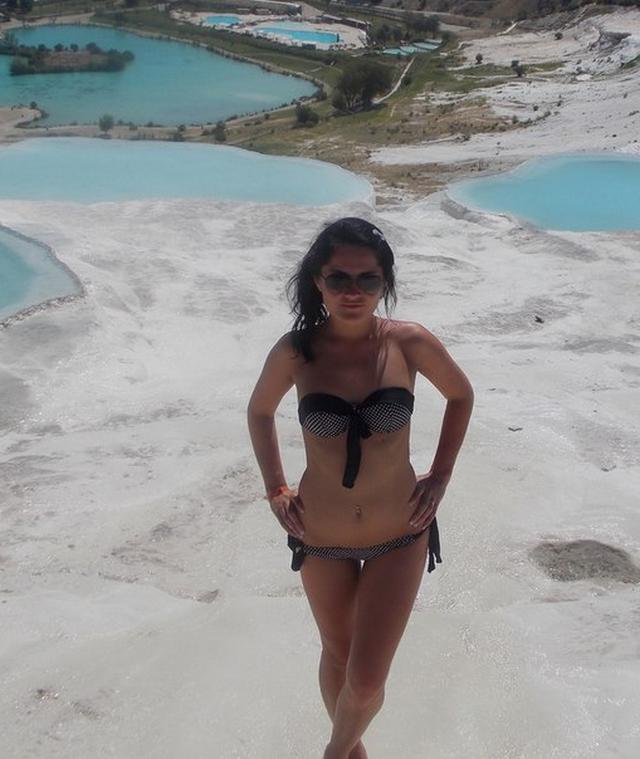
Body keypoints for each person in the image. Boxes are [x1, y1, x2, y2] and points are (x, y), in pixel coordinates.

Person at [247, 217, 473, 759]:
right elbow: (259, 411)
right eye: (339, 278)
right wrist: (275, 487)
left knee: (367, 679)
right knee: (338, 653)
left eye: (367, 279)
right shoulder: (297, 351)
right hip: (320, 534)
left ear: (384, 282)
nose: (353, 291)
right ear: (318, 281)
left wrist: (441, 475)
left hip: (401, 529)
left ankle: (334, 752)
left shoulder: (408, 343)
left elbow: (461, 395)